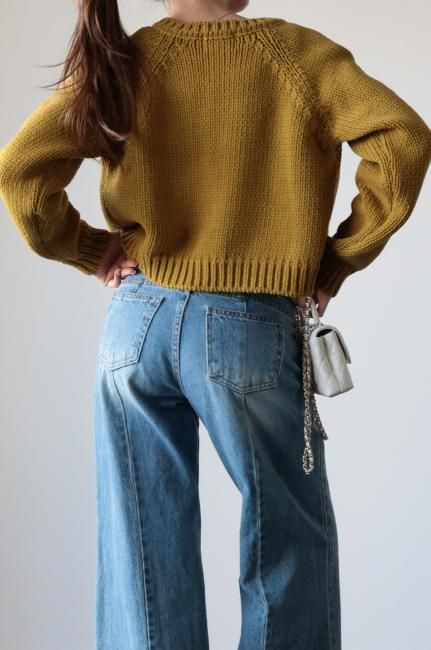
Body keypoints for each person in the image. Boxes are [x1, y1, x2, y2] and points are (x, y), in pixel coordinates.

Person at [1, 0, 430, 648]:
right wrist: (339, 258)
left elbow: (21, 173)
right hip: (246, 324)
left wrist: (87, 248)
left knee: (142, 541)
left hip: (135, 324)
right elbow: (403, 141)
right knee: (287, 533)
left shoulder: (124, 61)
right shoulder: (296, 55)